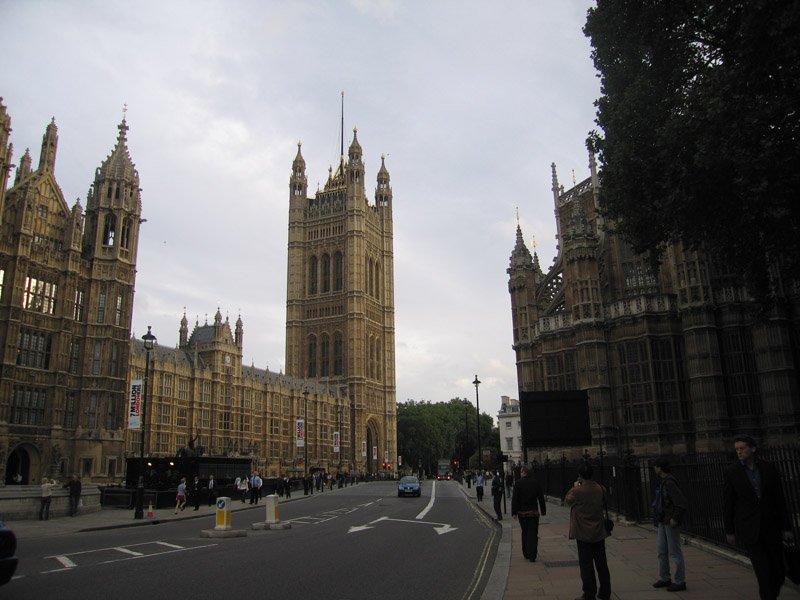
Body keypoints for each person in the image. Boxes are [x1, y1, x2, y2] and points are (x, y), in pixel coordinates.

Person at [723, 435, 792, 600]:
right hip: (749, 529)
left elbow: (779, 499)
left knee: (778, 572)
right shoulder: (732, 472)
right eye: (737, 449)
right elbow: (728, 503)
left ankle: (771, 594)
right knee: (763, 572)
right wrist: (729, 530)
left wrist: (786, 527)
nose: (739, 452)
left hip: (771, 526)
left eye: (742, 448)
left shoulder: (769, 469)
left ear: (753, 449)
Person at [565, 464, 611, 600]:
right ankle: (605, 592)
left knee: (586, 564)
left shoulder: (577, 491)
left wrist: (574, 486)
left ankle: (589, 593)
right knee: (601, 563)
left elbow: (567, 500)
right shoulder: (600, 489)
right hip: (598, 531)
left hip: (583, 532)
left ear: (580, 476)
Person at [651, 456, 688, 592]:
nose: (654, 469)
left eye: (655, 466)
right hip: (663, 520)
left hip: (670, 521)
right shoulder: (663, 481)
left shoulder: (670, 482)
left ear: (660, 468)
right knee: (661, 551)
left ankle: (680, 581)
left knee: (674, 552)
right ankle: (665, 577)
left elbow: (681, 502)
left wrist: (675, 518)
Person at [511, 465, 547, 562]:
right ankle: (532, 555)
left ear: (524, 472)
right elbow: (541, 498)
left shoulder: (518, 483)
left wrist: (514, 512)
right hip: (533, 512)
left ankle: (526, 553)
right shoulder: (535, 483)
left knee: (525, 532)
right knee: (533, 533)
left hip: (522, 513)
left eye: (521, 471)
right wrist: (543, 511)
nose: (520, 473)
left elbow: (515, 499)